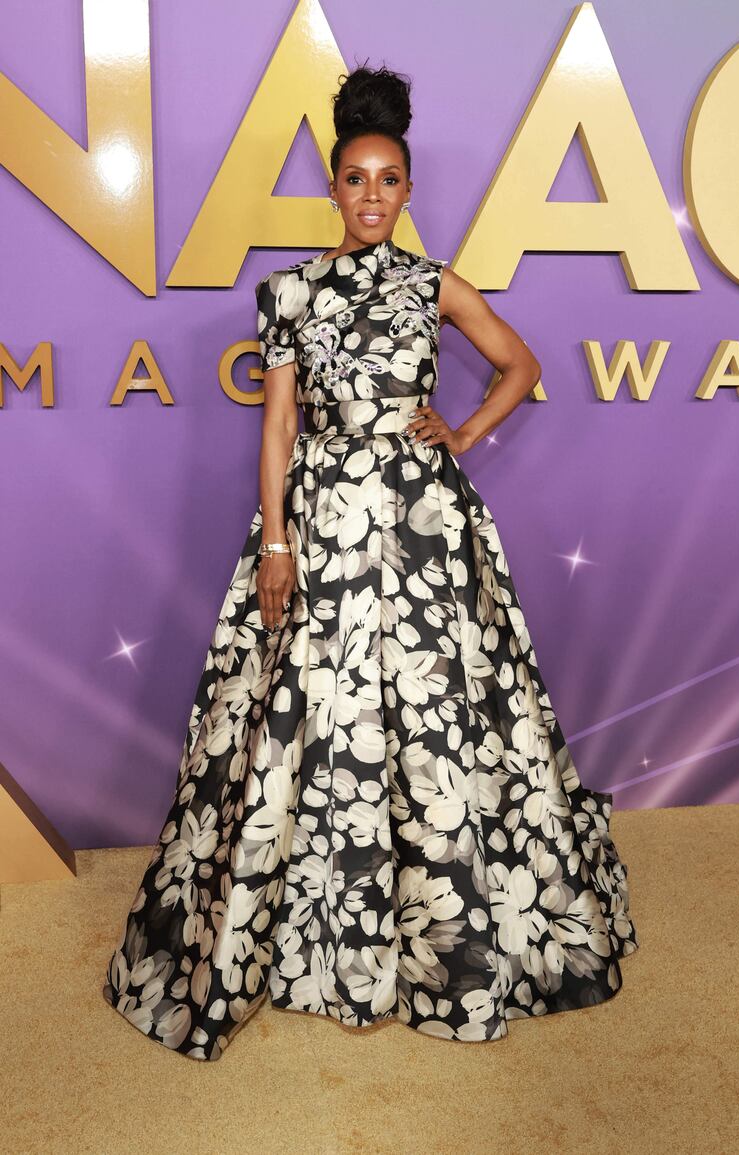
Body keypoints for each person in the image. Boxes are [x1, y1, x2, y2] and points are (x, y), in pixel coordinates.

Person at [102, 63, 639, 1061]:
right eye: (354, 179)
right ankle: (318, 942)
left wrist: (462, 432)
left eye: (388, 180)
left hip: (426, 528)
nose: (370, 197)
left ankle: (444, 936)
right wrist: (275, 541)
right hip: (320, 525)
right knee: (311, 727)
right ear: (333, 186)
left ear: (404, 190)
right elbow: (274, 434)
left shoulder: (433, 285)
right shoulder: (290, 293)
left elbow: (519, 364)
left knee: (444, 726)